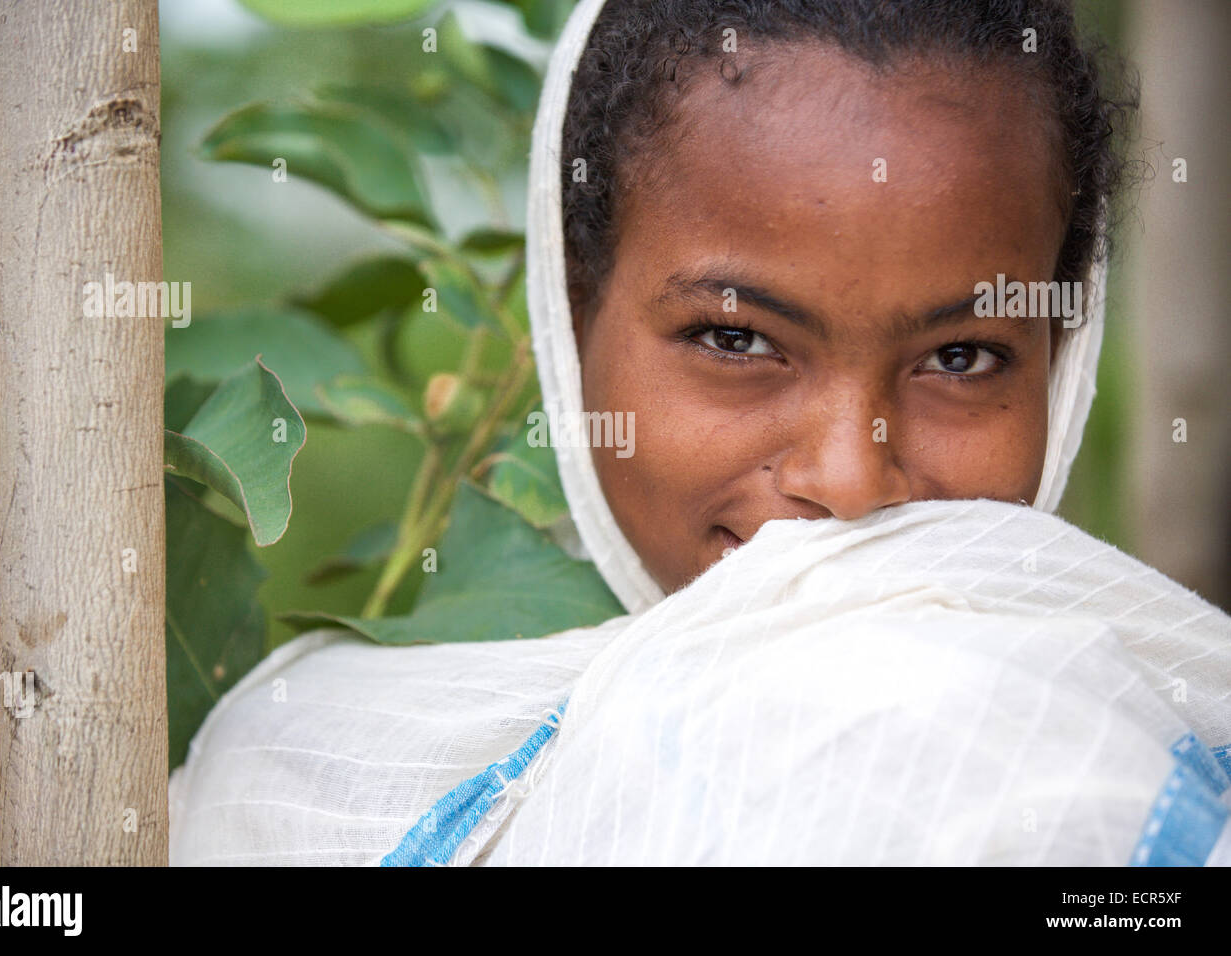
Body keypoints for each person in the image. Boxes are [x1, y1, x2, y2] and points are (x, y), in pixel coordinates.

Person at [168, 0, 1231, 866]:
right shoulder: (307, 786)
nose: (850, 478)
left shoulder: (1121, 760)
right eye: (735, 338)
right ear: (570, 316)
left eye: (960, 358)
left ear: (1066, 351)